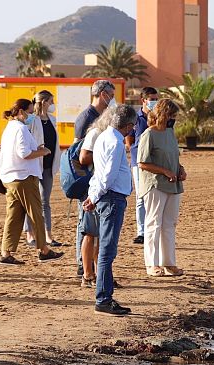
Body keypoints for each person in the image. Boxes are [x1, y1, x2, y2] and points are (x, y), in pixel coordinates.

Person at [83, 104, 137, 315]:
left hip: (106, 196)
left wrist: (93, 195)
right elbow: (108, 175)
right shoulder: (115, 141)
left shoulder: (104, 136)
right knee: (107, 251)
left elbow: (99, 173)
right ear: (129, 125)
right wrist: (95, 196)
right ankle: (103, 299)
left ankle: (104, 297)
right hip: (112, 198)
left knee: (105, 250)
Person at [0, 99, 63, 265]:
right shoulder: (19, 129)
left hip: (12, 177)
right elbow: (24, 153)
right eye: (30, 112)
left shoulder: (10, 128)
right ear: (21, 111)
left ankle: (6, 253)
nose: (32, 115)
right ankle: (44, 250)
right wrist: (42, 151)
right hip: (23, 177)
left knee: (14, 216)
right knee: (36, 214)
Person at [138, 99, 186, 277]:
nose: (174, 119)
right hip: (155, 184)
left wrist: (180, 170)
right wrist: (165, 171)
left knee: (169, 224)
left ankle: (169, 263)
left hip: (173, 185)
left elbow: (174, 156)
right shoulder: (149, 134)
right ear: (164, 114)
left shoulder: (170, 133)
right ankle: (152, 264)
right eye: (172, 115)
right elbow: (142, 163)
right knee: (153, 223)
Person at [74, 80, 116, 277]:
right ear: (102, 94)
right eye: (111, 94)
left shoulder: (102, 117)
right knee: (87, 229)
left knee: (97, 231)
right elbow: (80, 155)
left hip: (99, 181)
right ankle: (84, 267)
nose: (112, 99)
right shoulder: (86, 118)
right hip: (88, 181)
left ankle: (95, 269)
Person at [24, 90, 62, 247]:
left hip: (48, 166)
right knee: (32, 200)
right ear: (44, 102)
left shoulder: (52, 120)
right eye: (51, 101)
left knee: (45, 201)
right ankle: (29, 234)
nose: (53, 105)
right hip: (33, 165)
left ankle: (48, 235)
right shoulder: (31, 120)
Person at [125, 86, 159, 245]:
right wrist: (131, 149)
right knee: (140, 197)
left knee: (153, 196)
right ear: (143, 100)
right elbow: (129, 137)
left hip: (155, 162)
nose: (154, 102)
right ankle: (142, 232)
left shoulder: (158, 117)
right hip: (138, 162)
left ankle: (153, 229)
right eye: (151, 99)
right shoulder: (135, 118)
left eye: (156, 99)